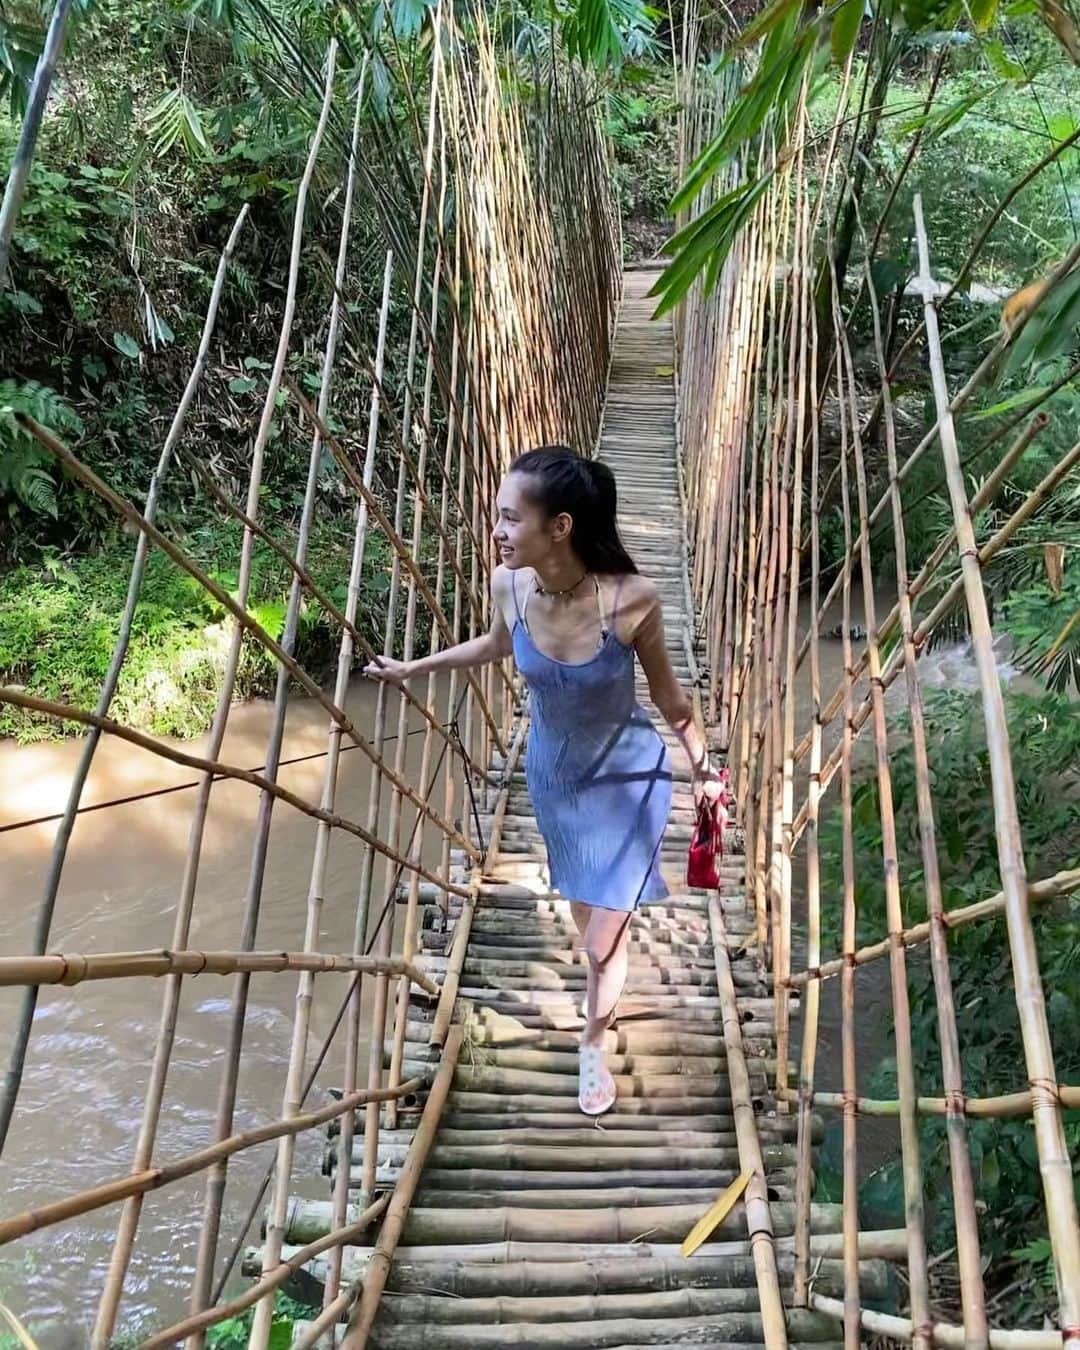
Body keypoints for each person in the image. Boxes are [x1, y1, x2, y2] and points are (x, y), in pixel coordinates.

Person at [363, 446, 722, 1116]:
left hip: (625, 782)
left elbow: (673, 701)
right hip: (554, 779)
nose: (496, 531)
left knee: (599, 940)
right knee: (589, 916)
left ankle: (593, 1046)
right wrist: (414, 668)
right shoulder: (511, 585)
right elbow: (499, 644)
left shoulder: (630, 601)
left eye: (509, 519)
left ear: (559, 527)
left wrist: (705, 771)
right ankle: (603, 987)